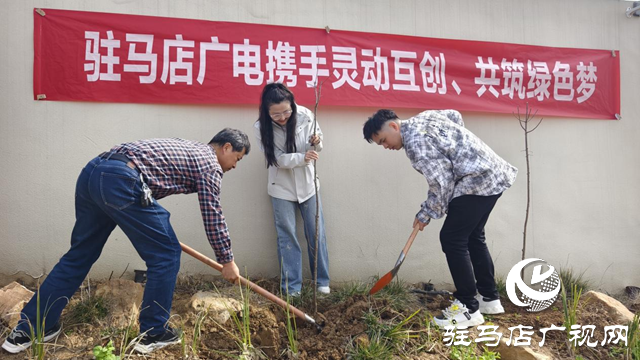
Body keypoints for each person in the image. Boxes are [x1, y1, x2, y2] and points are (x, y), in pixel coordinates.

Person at [2, 129, 250, 354]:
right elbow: (212, 214)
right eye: (238, 159)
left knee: (80, 254)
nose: (235, 166)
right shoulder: (209, 164)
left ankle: (30, 328)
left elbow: (147, 186)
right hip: (121, 180)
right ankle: (153, 332)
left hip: (94, 173)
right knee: (166, 254)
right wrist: (226, 259)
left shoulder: (188, 147)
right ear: (226, 147)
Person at [363, 109, 517, 328]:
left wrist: (426, 213)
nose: (386, 147)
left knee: (452, 239)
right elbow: (454, 115)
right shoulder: (425, 117)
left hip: (476, 180)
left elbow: (441, 183)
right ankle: (489, 299)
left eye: (384, 140)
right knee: (473, 236)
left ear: (394, 127)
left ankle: (468, 308)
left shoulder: (416, 143)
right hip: (492, 173)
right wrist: (460, 148)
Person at [254, 83, 330, 297]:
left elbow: (318, 145)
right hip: (281, 189)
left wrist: (317, 142)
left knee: (317, 233)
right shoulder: (261, 127)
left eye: (287, 111)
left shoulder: (305, 115)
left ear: (293, 105)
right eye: (276, 114)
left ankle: (322, 282)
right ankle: (292, 288)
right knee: (286, 237)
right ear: (266, 111)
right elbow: (276, 159)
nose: (282, 117)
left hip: (309, 185)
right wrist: (301, 158)